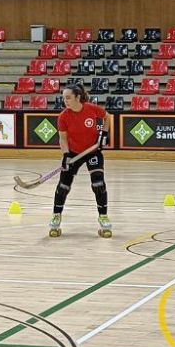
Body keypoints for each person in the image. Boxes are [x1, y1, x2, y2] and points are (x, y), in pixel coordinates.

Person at [49, 83, 111, 238]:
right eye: (64, 98)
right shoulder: (63, 116)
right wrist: (65, 155)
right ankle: (56, 216)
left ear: (77, 97)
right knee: (63, 186)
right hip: (74, 153)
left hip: (92, 151)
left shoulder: (91, 109)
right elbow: (63, 139)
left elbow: (107, 117)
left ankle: (103, 217)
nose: (65, 101)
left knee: (98, 184)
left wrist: (104, 133)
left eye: (68, 98)